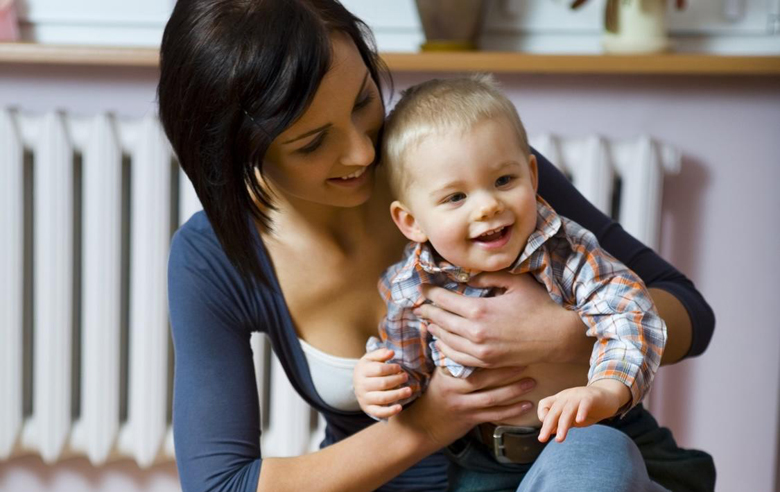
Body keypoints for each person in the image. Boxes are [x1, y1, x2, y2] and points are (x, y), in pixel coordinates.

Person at [157, 1, 715, 491]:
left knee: (596, 453)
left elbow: (689, 311)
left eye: (362, 100)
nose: (361, 153)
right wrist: (431, 421)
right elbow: (222, 485)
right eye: (312, 143)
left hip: (581, 466)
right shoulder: (213, 258)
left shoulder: (465, 174)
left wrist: (563, 334)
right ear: (237, 153)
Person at [352, 75, 667, 490]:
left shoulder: (565, 253)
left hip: (591, 439)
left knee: (593, 460)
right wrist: (382, 384)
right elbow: (409, 366)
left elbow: (630, 313)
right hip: (482, 466)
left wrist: (606, 391)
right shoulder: (411, 286)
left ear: (532, 176)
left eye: (503, 181)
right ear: (411, 222)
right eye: (455, 197)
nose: (487, 205)